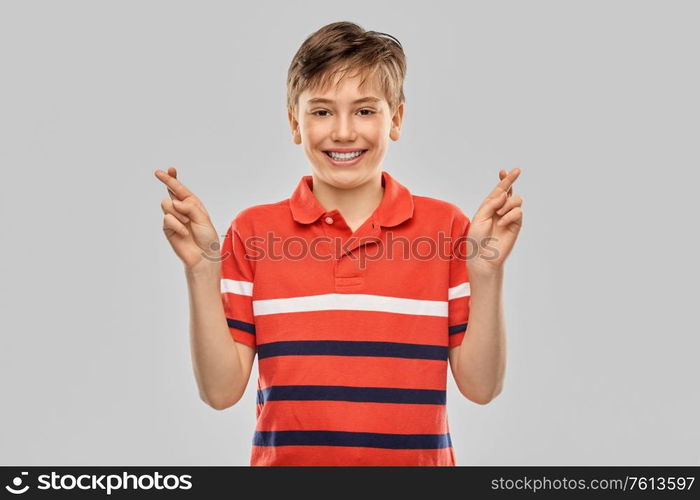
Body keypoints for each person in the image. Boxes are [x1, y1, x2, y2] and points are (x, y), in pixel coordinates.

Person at [154, 21, 523, 466]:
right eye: (322, 111)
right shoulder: (253, 232)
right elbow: (219, 392)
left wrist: (487, 272)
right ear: (295, 123)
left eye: (365, 111)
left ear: (397, 119)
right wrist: (200, 269)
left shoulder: (445, 228)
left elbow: (481, 388)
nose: (344, 132)